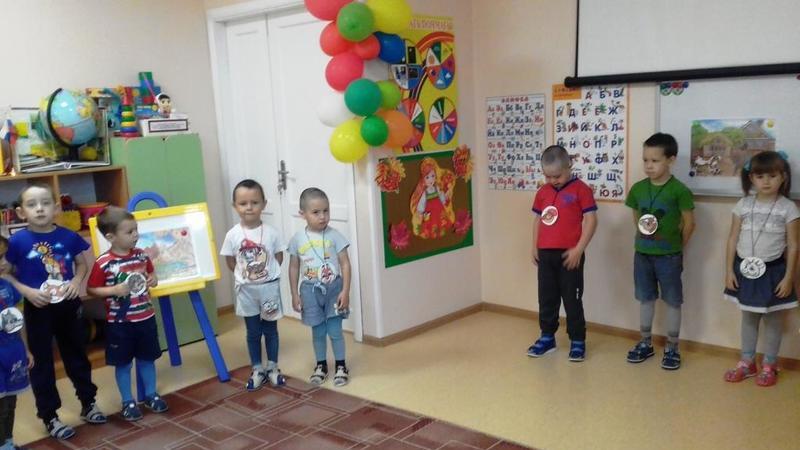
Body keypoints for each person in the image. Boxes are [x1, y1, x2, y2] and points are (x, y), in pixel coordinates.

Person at [1, 184, 106, 440]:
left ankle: (88, 403)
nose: (40, 209)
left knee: (77, 355)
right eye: (32, 204)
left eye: (46, 203)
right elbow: (6, 274)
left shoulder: (68, 236)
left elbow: (81, 265)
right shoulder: (16, 242)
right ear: (21, 212)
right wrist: (27, 292)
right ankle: (49, 416)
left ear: (56, 208)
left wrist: (75, 282)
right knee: (42, 364)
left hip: (68, 306)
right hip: (37, 309)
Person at [723, 151, 798, 386]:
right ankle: (747, 362)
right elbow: (732, 238)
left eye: (772, 176)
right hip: (744, 270)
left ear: (783, 177)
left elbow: (794, 245)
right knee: (748, 318)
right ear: (751, 178)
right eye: (760, 176)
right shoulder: (743, 205)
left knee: (774, 321)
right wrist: (729, 271)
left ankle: (770, 364)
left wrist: (789, 278)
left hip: (774, 272)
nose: (766, 181)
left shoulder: (788, 208)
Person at [86, 206, 168, 421]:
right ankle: (127, 401)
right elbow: (91, 289)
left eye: (136, 229)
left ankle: (151, 394)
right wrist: (113, 290)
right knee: (122, 363)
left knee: (147, 358)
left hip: (145, 318)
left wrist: (153, 279)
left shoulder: (141, 255)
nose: (135, 235)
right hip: (119, 324)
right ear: (110, 237)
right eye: (129, 232)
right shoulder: (103, 263)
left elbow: (152, 275)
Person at [624, 133, 695, 370]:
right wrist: (645, 237)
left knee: (673, 300)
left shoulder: (679, 190)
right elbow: (636, 215)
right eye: (645, 160)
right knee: (645, 298)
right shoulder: (638, 189)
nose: (649, 165)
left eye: (655, 160)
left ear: (670, 160)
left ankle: (672, 346)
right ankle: (645, 342)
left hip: (669, 257)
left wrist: (678, 247)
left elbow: (690, 223)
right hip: (642, 254)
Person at [527, 145, 598, 361]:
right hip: (545, 255)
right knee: (546, 298)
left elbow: (591, 220)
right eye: (548, 176)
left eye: (557, 176)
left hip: (570, 256)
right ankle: (547, 337)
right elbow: (538, 220)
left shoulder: (581, 190)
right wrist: (534, 246)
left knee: (571, 299)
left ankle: (577, 340)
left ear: (569, 166)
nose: (552, 181)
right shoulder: (543, 192)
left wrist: (579, 249)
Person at [220, 179, 286, 391]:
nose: (249, 207)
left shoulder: (272, 232)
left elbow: (278, 257)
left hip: (269, 289)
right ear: (235, 206)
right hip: (246, 291)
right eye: (243, 203)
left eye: (255, 202)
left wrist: (265, 276)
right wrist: (246, 277)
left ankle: (273, 367)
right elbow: (230, 261)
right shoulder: (232, 235)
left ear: (264, 204)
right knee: (253, 331)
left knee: (271, 330)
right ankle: (257, 368)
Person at [288, 188, 352, 386]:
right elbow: (293, 267)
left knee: (335, 330)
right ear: (303, 214)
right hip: (309, 291)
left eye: (326, 211)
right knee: (317, 331)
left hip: (334, 289)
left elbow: (345, 264)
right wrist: (294, 294)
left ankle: (341, 366)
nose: (322, 216)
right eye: (316, 212)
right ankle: (321, 365)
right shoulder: (297, 239)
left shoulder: (335, 236)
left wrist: (345, 291)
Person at [0, 235, 33, 450]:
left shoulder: (7, 286)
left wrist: (26, 350)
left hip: (13, 353)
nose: (4, 262)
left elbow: (18, 320)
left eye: (4, 256)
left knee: (10, 403)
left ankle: (8, 442)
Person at [409, 157, 455, 239]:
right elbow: (422, 203)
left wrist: (446, 195)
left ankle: (440, 232)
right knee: (431, 225)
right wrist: (420, 212)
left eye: (432, 176)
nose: (431, 179)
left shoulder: (437, 188)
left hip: (439, 211)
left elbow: (441, 197)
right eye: (427, 177)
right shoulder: (425, 192)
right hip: (430, 213)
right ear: (423, 179)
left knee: (441, 223)